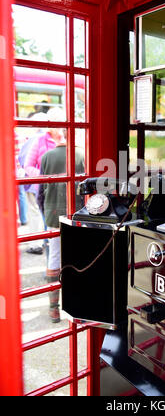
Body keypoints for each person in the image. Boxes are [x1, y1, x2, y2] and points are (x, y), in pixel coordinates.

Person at [38, 129, 84, 323]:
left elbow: (41, 190)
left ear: (58, 135)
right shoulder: (82, 155)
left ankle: (53, 309)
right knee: (79, 259)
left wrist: (45, 212)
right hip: (77, 214)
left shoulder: (46, 157)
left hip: (53, 214)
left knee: (54, 258)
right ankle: (78, 304)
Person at [23, 107, 65, 254]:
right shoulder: (40, 141)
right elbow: (27, 165)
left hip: (64, 190)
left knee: (63, 228)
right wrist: (43, 175)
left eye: (61, 122)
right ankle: (50, 267)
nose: (58, 126)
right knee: (49, 229)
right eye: (56, 123)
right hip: (44, 191)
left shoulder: (67, 139)